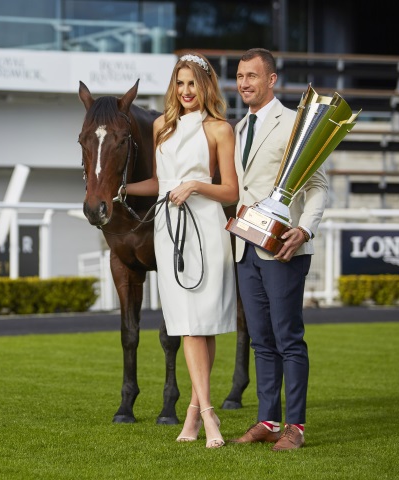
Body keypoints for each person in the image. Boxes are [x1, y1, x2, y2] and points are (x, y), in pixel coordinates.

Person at [125, 53, 238, 448]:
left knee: (202, 323)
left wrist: (194, 185)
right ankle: (202, 412)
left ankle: (200, 413)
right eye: (180, 83)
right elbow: (160, 182)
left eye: (192, 83)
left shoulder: (221, 129)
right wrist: (121, 189)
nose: (185, 91)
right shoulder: (161, 126)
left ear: (205, 86)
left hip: (206, 228)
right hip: (169, 230)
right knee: (188, 322)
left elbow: (230, 191)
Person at [230, 48, 328, 451]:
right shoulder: (238, 128)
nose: (244, 83)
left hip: (284, 249)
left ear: (271, 80)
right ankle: (267, 420)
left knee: (288, 338)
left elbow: (318, 186)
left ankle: (296, 427)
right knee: (260, 339)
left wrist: (304, 229)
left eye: (252, 76)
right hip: (245, 249)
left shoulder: (294, 123)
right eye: (239, 76)